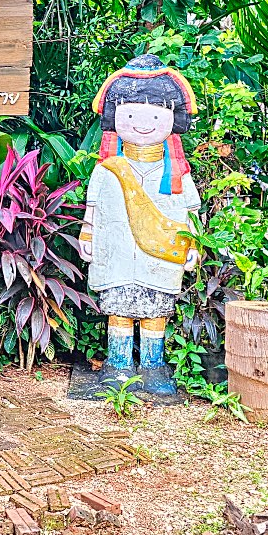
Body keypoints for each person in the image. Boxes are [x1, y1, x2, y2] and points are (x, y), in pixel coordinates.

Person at [78, 54, 200, 394]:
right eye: (130, 113)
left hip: (161, 253)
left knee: (155, 306)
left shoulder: (177, 173)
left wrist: (193, 245)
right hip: (116, 249)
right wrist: (87, 232)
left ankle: (153, 365)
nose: (142, 122)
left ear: (172, 119)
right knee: (118, 305)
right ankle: (117, 364)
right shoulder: (107, 168)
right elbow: (94, 206)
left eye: (155, 113)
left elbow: (190, 211)